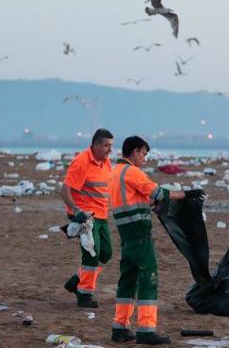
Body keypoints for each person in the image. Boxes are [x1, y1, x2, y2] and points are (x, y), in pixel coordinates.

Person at [108, 136, 201, 345]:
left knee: (127, 280)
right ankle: (146, 330)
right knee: (148, 279)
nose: (145, 158)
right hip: (139, 233)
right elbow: (157, 192)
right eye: (143, 153)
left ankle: (119, 327)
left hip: (125, 233)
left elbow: (135, 199)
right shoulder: (132, 172)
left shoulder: (115, 173)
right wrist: (186, 194)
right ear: (134, 151)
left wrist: (149, 204)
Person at [59, 128, 114, 308]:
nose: (109, 149)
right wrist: (76, 210)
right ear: (96, 145)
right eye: (106, 145)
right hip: (84, 217)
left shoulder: (106, 162)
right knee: (92, 253)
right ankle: (84, 295)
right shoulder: (81, 162)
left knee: (106, 253)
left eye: (111, 146)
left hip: (101, 215)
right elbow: (64, 190)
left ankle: (76, 281)